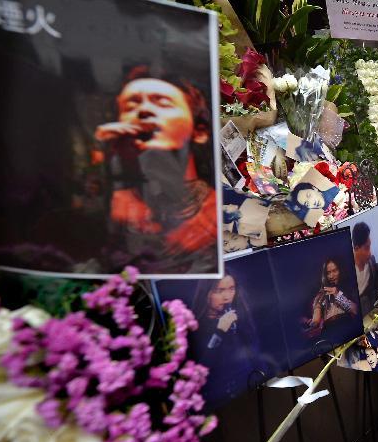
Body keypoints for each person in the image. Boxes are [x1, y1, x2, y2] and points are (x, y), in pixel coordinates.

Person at [95, 67, 217, 273]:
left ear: (200, 131)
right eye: (130, 105)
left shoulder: (216, 211)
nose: (143, 111)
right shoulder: (114, 207)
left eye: (161, 102)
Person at [191, 274, 261, 406]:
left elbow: (254, 350)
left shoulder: (239, 315)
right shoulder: (196, 325)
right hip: (221, 399)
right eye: (219, 291)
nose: (227, 297)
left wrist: (262, 375)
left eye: (231, 289)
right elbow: (203, 367)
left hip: (249, 387)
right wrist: (219, 331)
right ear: (206, 293)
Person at [305, 258, 358, 338]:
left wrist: (337, 295)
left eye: (334, 271)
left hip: (347, 325)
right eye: (328, 273)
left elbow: (355, 310)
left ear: (340, 270)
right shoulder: (321, 295)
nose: (331, 276)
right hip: (329, 329)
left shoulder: (349, 288)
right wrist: (310, 325)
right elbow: (316, 319)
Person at [351, 222, 378, 312]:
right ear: (356, 248)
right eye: (367, 248)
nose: (370, 253)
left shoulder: (371, 262)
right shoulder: (346, 272)